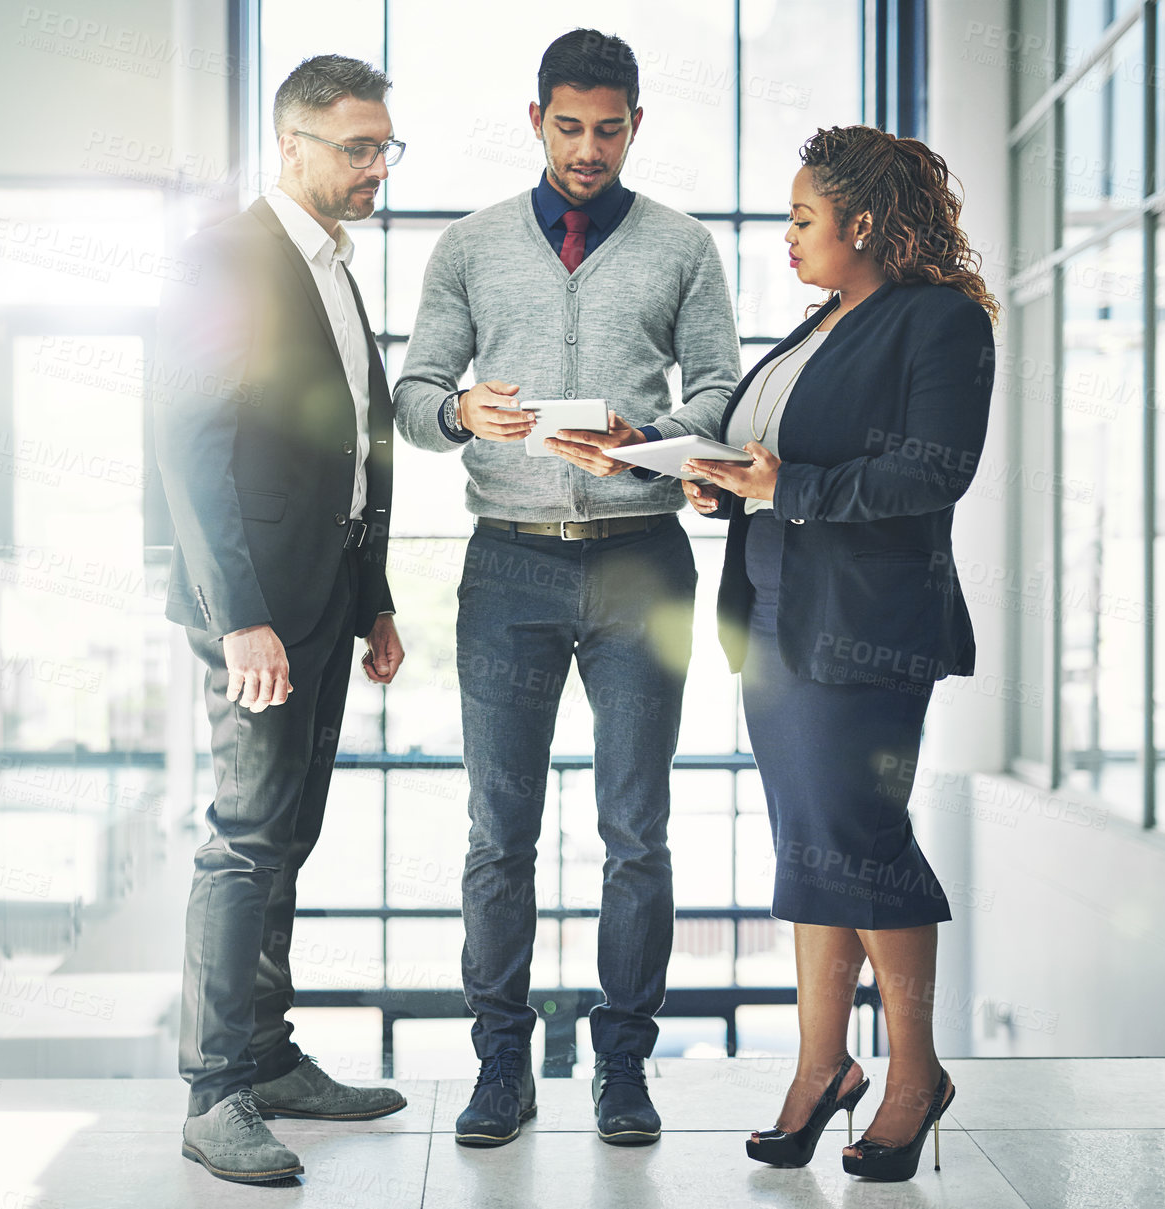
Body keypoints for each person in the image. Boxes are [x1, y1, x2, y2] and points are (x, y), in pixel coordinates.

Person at [394, 28, 741, 1149]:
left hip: (644, 560)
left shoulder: (684, 247)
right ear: (535, 119)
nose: (588, 149)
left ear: (636, 123)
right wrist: (462, 415)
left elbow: (724, 395)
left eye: (608, 128)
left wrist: (656, 438)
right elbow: (415, 394)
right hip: (509, 562)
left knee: (635, 829)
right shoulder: (472, 247)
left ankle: (623, 1069)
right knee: (501, 830)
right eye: (568, 126)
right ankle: (502, 1067)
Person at [680, 124, 998, 1183]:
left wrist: (787, 490)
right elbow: (780, 461)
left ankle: (915, 1075)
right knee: (810, 847)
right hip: (775, 611)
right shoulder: (828, 318)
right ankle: (824, 1068)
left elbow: (932, 472)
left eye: (803, 218)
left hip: (865, 628)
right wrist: (712, 478)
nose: (788, 237)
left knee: (861, 842)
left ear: (865, 222)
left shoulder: (941, 323)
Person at [153, 54, 410, 1186]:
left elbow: (349, 445)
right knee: (247, 840)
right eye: (356, 147)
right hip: (256, 613)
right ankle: (216, 1093)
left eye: (383, 146)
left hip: (322, 601)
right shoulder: (231, 256)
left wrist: (376, 598)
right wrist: (241, 618)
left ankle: (265, 1053)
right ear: (291, 146)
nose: (375, 167)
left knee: (288, 837)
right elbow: (191, 447)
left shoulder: (329, 266)